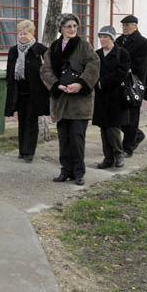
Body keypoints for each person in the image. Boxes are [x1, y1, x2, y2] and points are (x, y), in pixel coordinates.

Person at [40, 13, 100, 186]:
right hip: (61, 100)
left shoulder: (84, 46)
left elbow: (94, 65)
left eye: (75, 26)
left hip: (79, 102)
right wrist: (56, 84)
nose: (72, 29)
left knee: (77, 139)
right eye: (68, 26)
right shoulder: (54, 47)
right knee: (64, 139)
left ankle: (79, 172)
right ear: (61, 28)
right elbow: (45, 70)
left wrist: (81, 83)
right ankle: (65, 170)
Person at [4, 20, 50, 162]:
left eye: (26, 34)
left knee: (31, 122)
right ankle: (22, 150)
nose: (23, 36)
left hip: (34, 93)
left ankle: (29, 152)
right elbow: (9, 70)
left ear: (32, 34)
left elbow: (49, 67)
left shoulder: (39, 49)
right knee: (22, 121)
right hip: (18, 92)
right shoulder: (14, 50)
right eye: (21, 34)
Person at [92, 26, 130, 169]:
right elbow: (92, 71)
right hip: (101, 97)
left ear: (112, 38)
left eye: (105, 37)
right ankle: (108, 158)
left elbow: (122, 72)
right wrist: (96, 82)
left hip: (117, 96)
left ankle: (118, 154)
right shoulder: (97, 54)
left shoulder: (122, 53)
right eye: (101, 37)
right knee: (103, 128)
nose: (102, 39)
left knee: (113, 128)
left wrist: (103, 81)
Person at [114, 14, 147, 157]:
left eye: (127, 25)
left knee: (132, 117)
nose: (124, 28)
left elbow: (140, 66)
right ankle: (137, 135)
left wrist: (122, 68)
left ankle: (128, 147)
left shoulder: (143, 43)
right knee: (118, 116)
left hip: (133, 84)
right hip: (118, 83)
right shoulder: (118, 41)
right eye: (123, 25)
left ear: (135, 26)